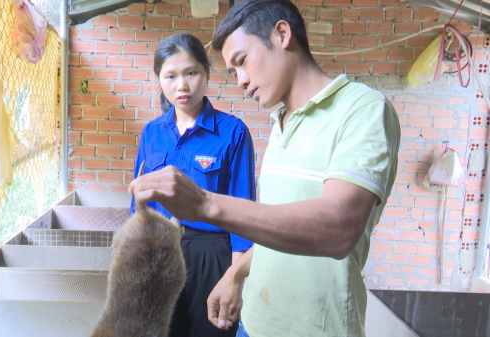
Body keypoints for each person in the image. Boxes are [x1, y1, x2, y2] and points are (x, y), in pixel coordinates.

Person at [128, 1, 401, 336]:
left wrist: (203, 204)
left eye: (242, 62)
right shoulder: (280, 124)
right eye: (232, 71)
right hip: (255, 324)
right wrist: (236, 274)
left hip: (314, 328)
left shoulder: (363, 110)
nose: (241, 80)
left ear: (282, 34)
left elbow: (339, 227)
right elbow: (273, 226)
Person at [128, 33, 256, 337]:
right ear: (159, 80)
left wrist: (234, 281)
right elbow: (137, 207)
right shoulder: (152, 133)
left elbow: (243, 219)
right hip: (159, 253)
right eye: (170, 76)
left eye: (191, 73)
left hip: (211, 256)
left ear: (207, 73)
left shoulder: (233, 133)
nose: (181, 85)